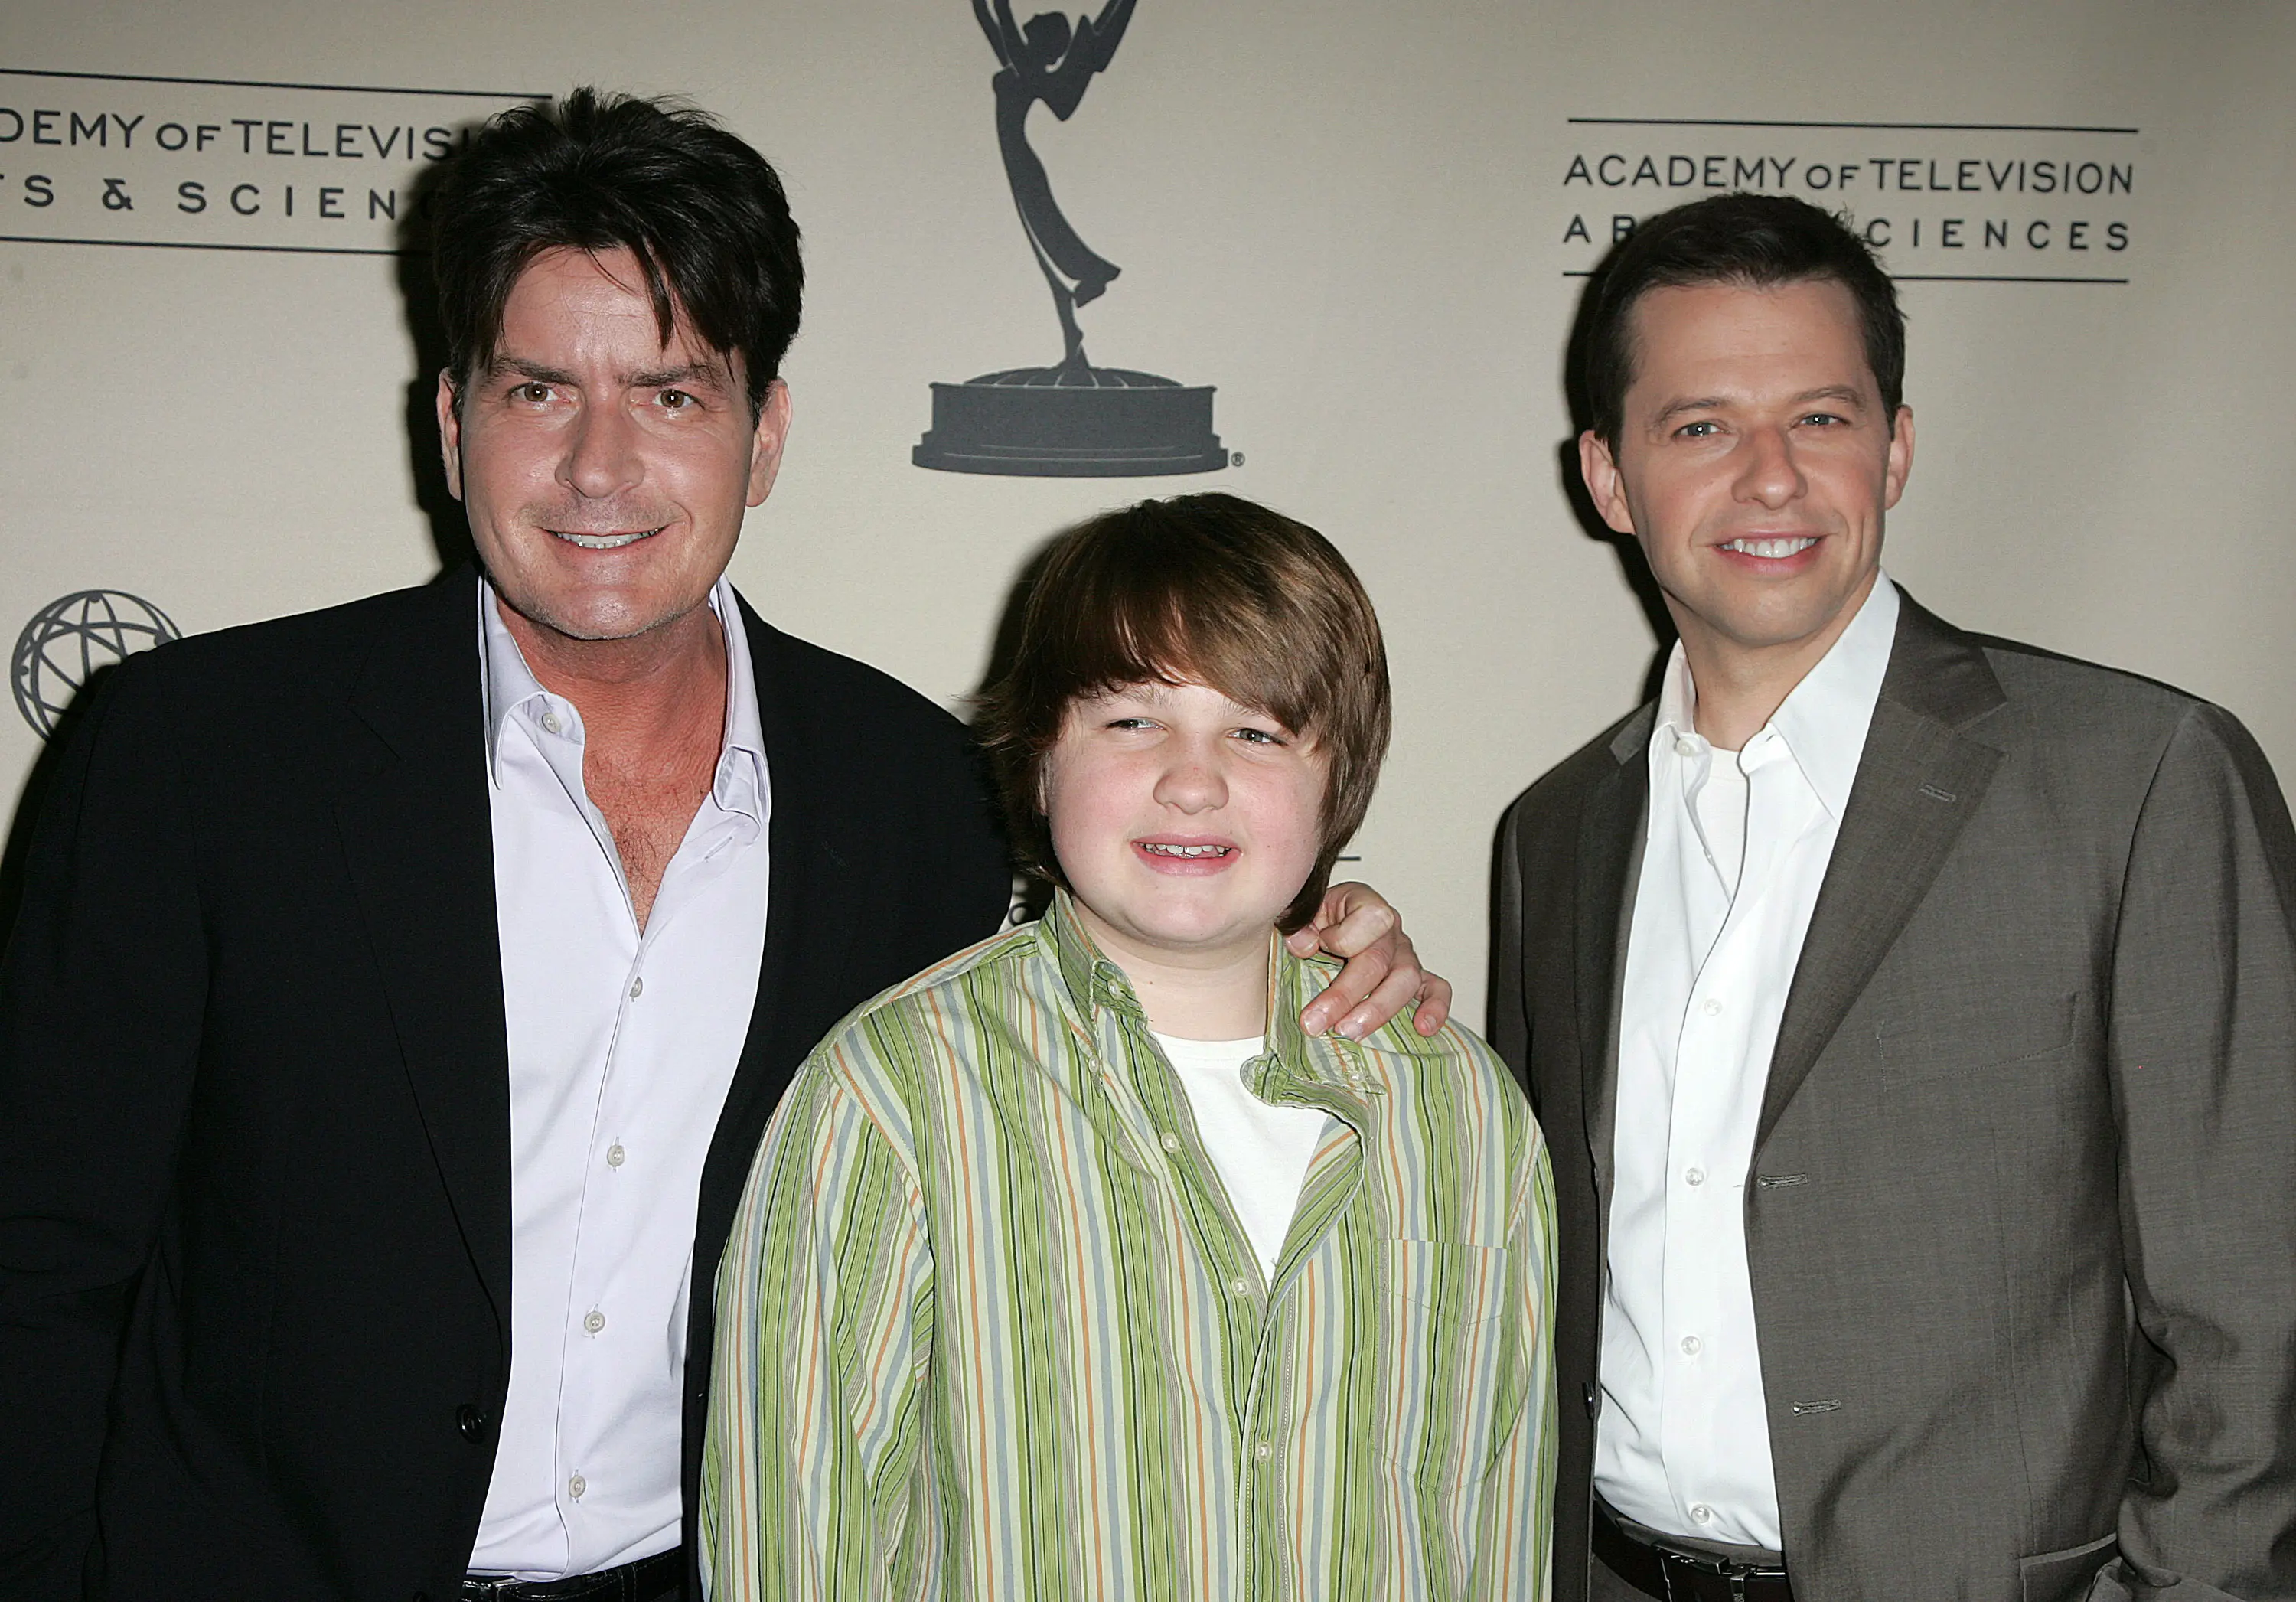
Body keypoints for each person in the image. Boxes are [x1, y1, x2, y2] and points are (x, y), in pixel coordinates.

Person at [0, 93, 1445, 1602]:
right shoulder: (194, 753)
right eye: (540, 392)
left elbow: (1098, 1054)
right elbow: (37, 1258)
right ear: (450, 423)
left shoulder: (922, 798)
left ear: (764, 435)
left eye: (674, 396)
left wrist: (1310, 953)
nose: (601, 466)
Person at [1492, 192, 2296, 1602]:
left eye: (1821, 418)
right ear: (1609, 479)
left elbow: (2261, 1312)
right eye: (1699, 428)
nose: (1772, 479)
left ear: (1897, 447)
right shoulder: (1554, 835)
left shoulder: (2140, 778)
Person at [703, 492, 1556, 1599]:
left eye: (1256, 731)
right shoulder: (893, 1096)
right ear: (1043, 760)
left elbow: (1500, 1534)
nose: (1192, 781)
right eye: (1132, 721)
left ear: (1337, 783)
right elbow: (790, 1549)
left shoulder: (1461, 1110)